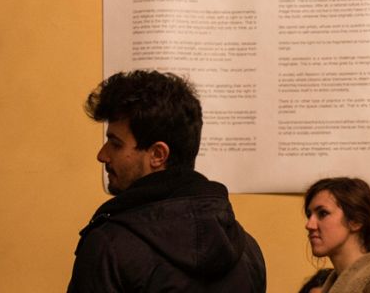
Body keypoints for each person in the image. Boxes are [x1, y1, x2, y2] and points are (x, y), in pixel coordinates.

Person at [67, 70, 266, 292]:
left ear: (158, 155)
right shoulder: (248, 251)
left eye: (115, 143)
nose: (102, 155)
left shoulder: (109, 247)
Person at [303, 177, 370, 293]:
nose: (309, 225)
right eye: (309, 215)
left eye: (323, 213)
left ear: (356, 221)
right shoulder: (334, 284)